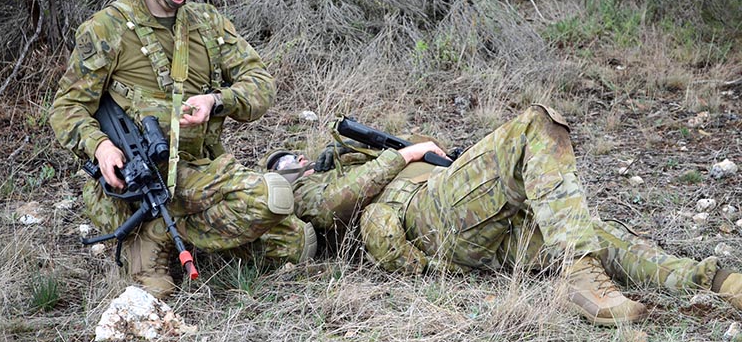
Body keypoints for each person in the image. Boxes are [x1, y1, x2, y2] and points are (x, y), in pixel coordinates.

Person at [263, 105, 742, 326]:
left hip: (463, 219)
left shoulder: (357, 154)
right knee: (536, 124)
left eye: (295, 157)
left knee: (594, 233)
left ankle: (716, 281)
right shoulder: (306, 191)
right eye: (285, 164)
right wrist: (405, 156)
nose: (296, 161)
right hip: (423, 221)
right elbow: (334, 204)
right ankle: (579, 275)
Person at [50, 0, 316, 299]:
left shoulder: (208, 24)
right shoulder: (106, 30)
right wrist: (101, 146)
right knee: (268, 205)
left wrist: (216, 99)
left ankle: (158, 233)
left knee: (292, 236)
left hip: (199, 172)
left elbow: (261, 86)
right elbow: (66, 106)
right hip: (136, 184)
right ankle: (156, 233)